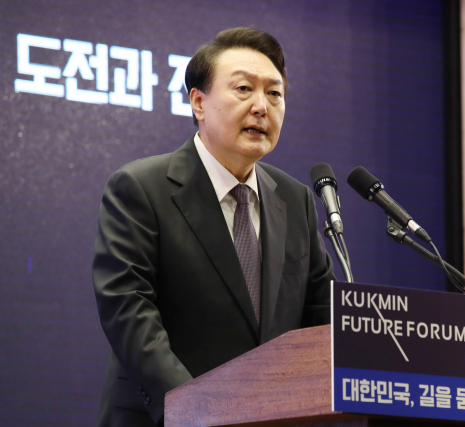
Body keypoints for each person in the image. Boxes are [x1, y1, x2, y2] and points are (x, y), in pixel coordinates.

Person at [92, 27, 335, 427]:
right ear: (199, 102)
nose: (261, 107)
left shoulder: (296, 201)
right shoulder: (141, 188)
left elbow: (321, 321)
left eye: (274, 94)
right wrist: (199, 411)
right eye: (244, 89)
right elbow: (129, 313)